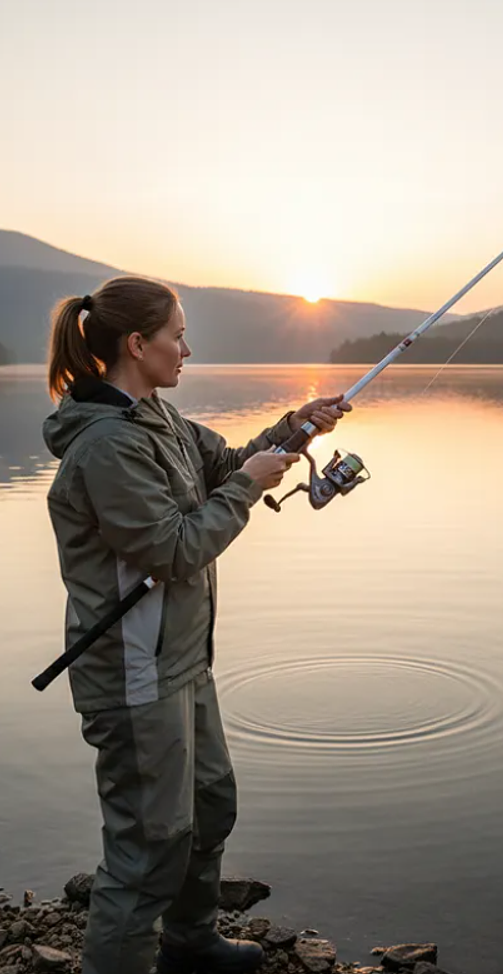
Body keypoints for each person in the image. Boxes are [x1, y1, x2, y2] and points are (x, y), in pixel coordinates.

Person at [42, 275, 351, 974]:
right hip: (133, 671)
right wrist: (249, 488)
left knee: (210, 806)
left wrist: (297, 426)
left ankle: (190, 937)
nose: (188, 347)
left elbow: (229, 465)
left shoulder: (158, 418)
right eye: (178, 334)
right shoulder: (106, 446)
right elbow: (174, 547)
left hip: (181, 658)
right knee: (149, 845)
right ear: (137, 343)